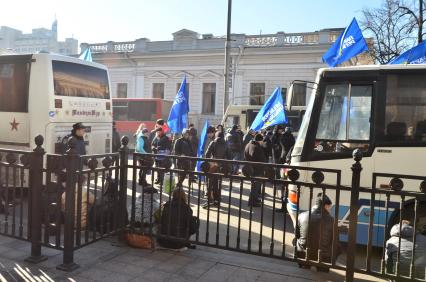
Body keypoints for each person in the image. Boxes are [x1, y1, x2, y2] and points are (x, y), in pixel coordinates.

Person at [296, 193, 341, 272]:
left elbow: (297, 235)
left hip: (303, 254)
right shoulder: (331, 220)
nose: (329, 210)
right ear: (326, 206)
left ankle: (304, 264)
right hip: (323, 257)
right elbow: (335, 241)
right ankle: (324, 267)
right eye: (329, 207)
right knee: (338, 246)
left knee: (297, 240)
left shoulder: (302, 215)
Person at [204, 131, 230, 208]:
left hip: (213, 165)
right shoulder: (226, 144)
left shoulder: (213, 142)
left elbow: (207, 154)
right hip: (221, 166)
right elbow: (230, 156)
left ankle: (209, 201)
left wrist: (211, 162)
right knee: (217, 184)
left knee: (209, 183)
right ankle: (216, 200)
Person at [244, 134, 266, 207]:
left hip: (249, 168)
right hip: (256, 170)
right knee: (255, 186)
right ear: (260, 141)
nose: (263, 142)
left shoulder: (248, 144)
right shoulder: (256, 147)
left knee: (254, 186)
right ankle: (252, 202)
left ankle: (255, 199)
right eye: (262, 141)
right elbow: (261, 159)